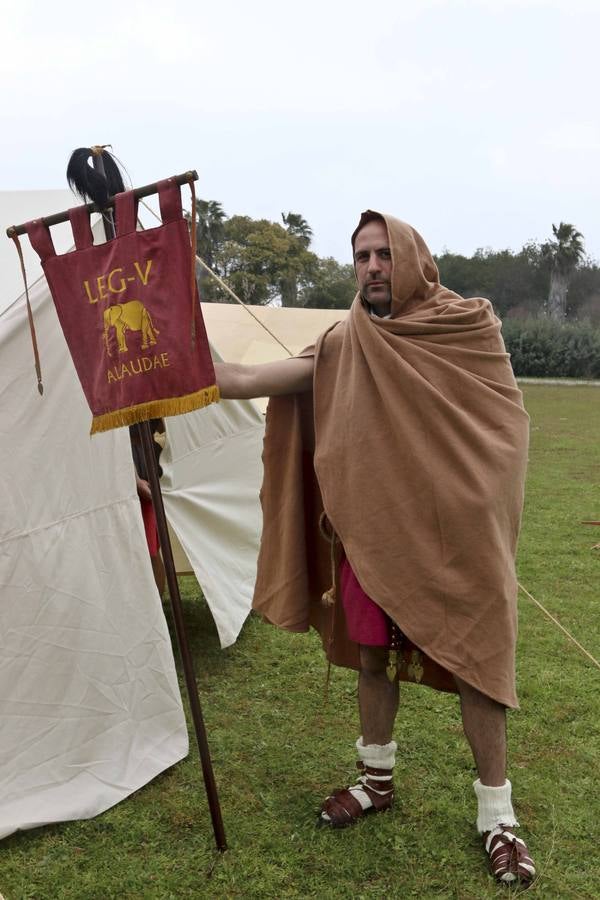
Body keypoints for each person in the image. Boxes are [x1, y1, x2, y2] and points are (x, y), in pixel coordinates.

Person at [214, 212, 536, 886]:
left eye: (384, 254)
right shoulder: (346, 339)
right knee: (371, 659)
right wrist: (188, 353)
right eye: (361, 256)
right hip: (376, 535)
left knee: (478, 666)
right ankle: (376, 781)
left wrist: (474, 503)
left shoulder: (466, 325)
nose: (372, 267)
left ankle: (498, 817)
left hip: (458, 541)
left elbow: (504, 427)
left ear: (412, 258)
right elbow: (247, 381)